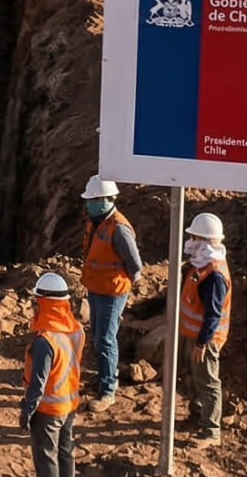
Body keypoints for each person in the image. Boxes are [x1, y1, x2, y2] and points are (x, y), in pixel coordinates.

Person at [78, 176, 144, 410]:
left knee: (106, 338)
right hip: (96, 288)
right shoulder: (96, 222)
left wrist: (127, 285)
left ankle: (107, 391)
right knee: (98, 334)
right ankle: (105, 375)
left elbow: (135, 265)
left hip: (112, 291)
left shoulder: (119, 228)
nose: (89, 204)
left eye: (93, 200)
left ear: (106, 199)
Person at [20, 270, 84, 477]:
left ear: (44, 303)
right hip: (69, 405)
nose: (34, 307)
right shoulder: (76, 330)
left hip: (48, 410)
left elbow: (38, 382)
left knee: (47, 457)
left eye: (36, 302)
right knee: (65, 453)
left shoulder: (45, 341)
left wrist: (28, 410)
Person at [178, 212, 232, 447]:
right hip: (193, 335)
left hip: (205, 340)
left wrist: (202, 343)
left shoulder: (214, 275)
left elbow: (213, 313)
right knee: (194, 377)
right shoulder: (202, 265)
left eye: (194, 237)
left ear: (205, 241)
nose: (190, 240)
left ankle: (211, 431)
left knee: (208, 382)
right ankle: (198, 414)